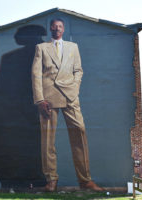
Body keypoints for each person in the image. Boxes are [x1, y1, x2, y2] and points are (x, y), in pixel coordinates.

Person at [31, 18, 103, 192]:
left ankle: (85, 180)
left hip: (70, 96)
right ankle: (51, 180)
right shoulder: (41, 48)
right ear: (50, 29)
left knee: (80, 133)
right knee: (48, 142)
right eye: (54, 27)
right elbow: (36, 74)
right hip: (48, 99)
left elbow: (78, 70)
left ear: (63, 29)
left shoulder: (73, 47)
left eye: (60, 26)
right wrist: (40, 99)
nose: (57, 29)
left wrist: (75, 87)